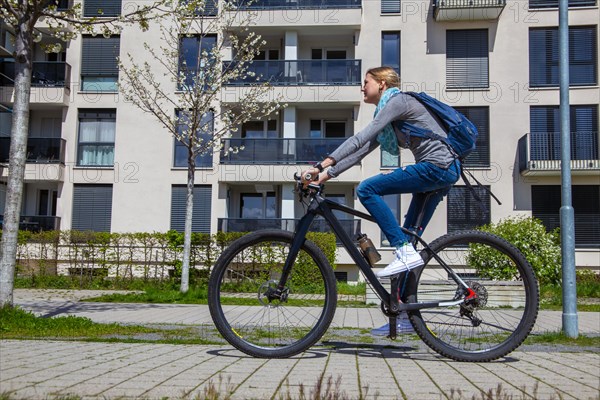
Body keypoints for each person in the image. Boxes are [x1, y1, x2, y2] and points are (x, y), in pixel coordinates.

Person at [301, 66, 462, 335]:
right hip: (441, 171)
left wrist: (321, 163)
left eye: (366, 82)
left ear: (383, 84)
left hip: (438, 166)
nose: (362, 88)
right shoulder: (388, 114)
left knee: (366, 190)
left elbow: (360, 136)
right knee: (410, 240)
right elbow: (361, 150)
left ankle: (402, 249)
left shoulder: (398, 101)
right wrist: (324, 177)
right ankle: (405, 316)